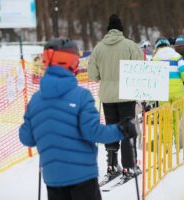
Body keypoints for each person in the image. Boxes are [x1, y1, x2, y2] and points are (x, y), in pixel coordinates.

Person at [19, 38, 138, 200]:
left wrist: (33, 120)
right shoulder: (81, 97)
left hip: (53, 179)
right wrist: (121, 129)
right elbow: (94, 133)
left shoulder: (36, 100)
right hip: (83, 178)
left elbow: (27, 138)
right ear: (73, 64)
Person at [88, 14, 143, 179]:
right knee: (127, 130)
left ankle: (112, 165)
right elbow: (140, 69)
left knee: (111, 129)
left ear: (108, 30)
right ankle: (129, 166)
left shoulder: (98, 48)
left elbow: (93, 74)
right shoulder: (131, 46)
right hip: (126, 95)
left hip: (107, 97)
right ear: (121, 30)